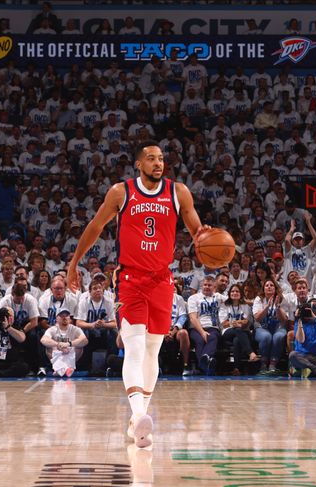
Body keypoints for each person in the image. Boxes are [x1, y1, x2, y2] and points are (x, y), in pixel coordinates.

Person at [67, 140, 206, 449]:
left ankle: (136, 424)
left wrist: (209, 240)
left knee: (152, 350)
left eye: (161, 159)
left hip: (162, 280)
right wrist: (74, 262)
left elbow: (198, 233)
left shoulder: (178, 191)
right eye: (151, 158)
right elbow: (95, 225)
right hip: (130, 278)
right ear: (139, 165)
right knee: (133, 344)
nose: (158, 163)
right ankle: (140, 414)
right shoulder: (121, 191)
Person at [187, 276, 224, 375]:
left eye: (210, 285)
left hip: (213, 327)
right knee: (199, 340)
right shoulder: (193, 298)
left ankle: (203, 364)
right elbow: (193, 318)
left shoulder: (219, 297)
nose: (207, 287)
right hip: (196, 328)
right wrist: (202, 332)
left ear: (214, 287)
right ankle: (207, 365)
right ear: (201, 286)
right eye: (205, 285)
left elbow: (233, 300)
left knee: (212, 337)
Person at [219, 284, 258, 372]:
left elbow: (246, 322)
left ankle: (236, 368)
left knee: (237, 339)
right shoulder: (224, 306)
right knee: (237, 330)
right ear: (229, 294)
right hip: (227, 333)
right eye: (232, 291)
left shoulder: (245, 306)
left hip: (243, 332)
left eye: (237, 291)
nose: (235, 293)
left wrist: (233, 323)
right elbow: (224, 324)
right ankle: (250, 353)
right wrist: (237, 323)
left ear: (241, 294)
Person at [252, 279, 288, 375]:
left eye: (271, 285)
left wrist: (278, 307)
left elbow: (284, 320)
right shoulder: (259, 299)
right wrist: (267, 307)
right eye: (266, 285)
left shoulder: (282, 299)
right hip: (262, 328)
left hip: (278, 327)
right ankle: (263, 364)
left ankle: (273, 365)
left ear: (275, 288)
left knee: (278, 336)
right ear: (263, 289)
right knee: (266, 336)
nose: (269, 287)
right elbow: (257, 318)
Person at [41, 307, 88, 377]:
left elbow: (84, 340)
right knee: (49, 347)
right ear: (57, 318)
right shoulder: (52, 329)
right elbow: (43, 339)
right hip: (57, 354)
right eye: (62, 316)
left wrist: (68, 344)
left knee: (79, 346)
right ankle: (63, 369)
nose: (64, 318)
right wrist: (58, 345)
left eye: (66, 316)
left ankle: (62, 370)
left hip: (70, 354)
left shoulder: (75, 329)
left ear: (70, 318)